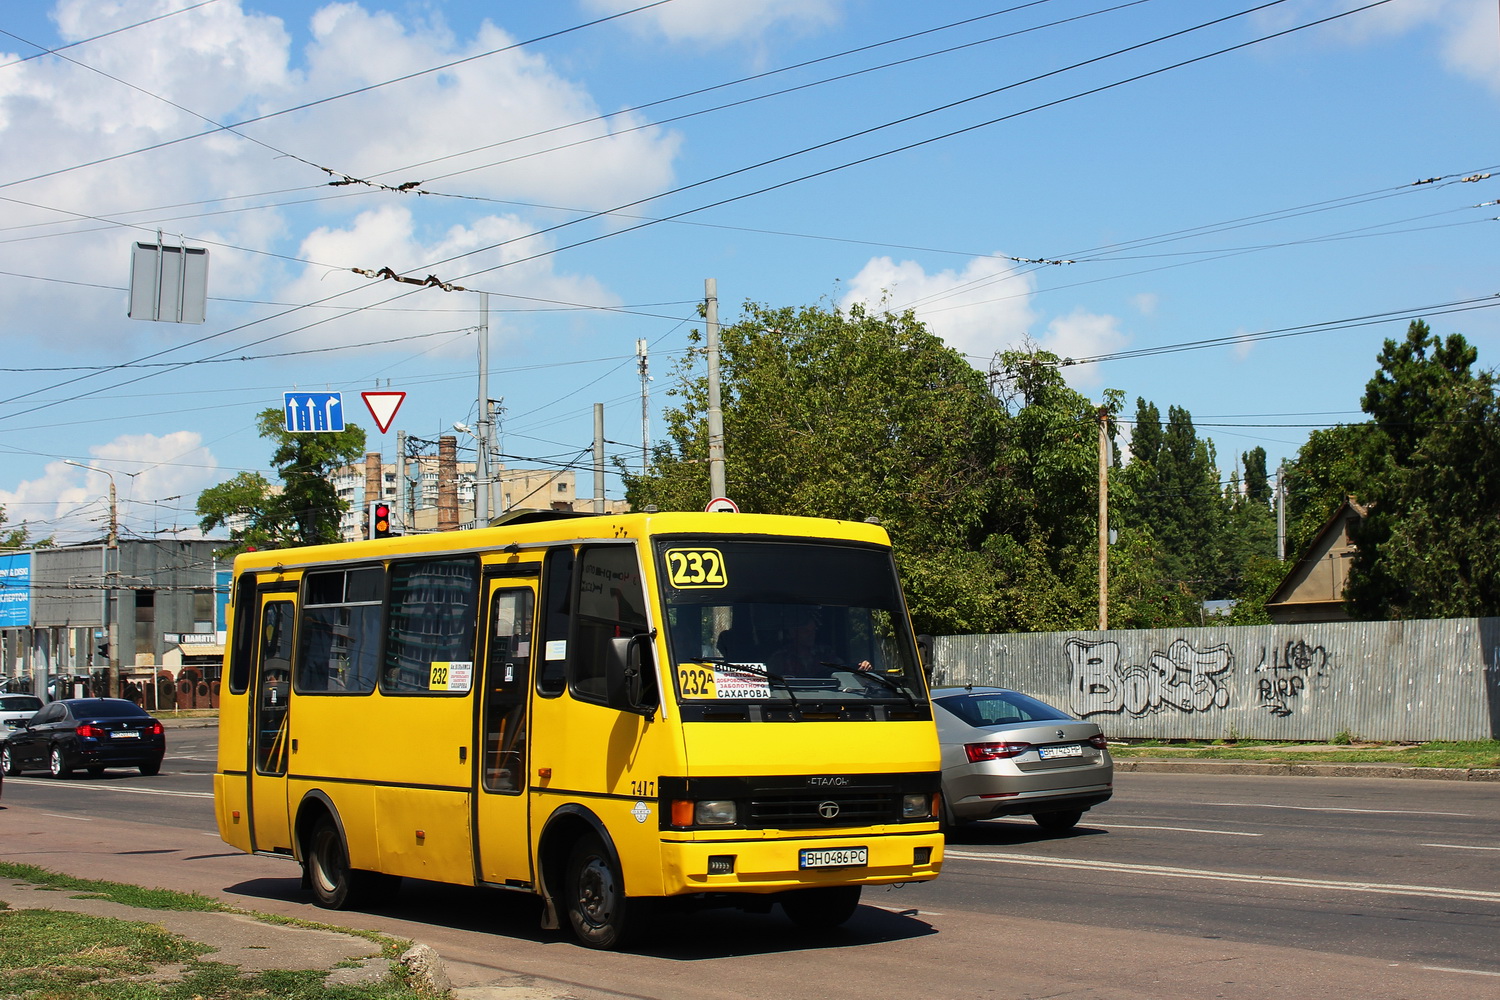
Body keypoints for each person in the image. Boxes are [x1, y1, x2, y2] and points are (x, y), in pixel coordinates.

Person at [768, 608, 871, 676]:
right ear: (793, 634)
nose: (811, 635)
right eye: (806, 631)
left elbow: (843, 669)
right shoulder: (779, 658)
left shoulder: (825, 653)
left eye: (813, 631)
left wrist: (860, 666)